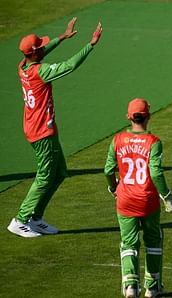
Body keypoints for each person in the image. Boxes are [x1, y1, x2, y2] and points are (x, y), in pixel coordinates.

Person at [7, 17, 103, 238]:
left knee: (59, 173)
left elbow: (40, 54)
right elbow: (69, 66)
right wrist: (91, 44)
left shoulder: (23, 66)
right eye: (40, 47)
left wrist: (61, 38)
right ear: (34, 54)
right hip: (42, 132)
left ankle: (36, 217)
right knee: (44, 176)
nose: (43, 48)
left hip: (38, 128)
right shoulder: (41, 72)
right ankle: (20, 219)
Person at [104, 98, 172, 298]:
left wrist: (113, 187)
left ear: (129, 117)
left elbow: (108, 170)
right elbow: (155, 173)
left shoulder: (117, 139)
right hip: (147, 200)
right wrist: (168, 197)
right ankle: (153, 286)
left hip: (125, 200)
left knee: (128, 242)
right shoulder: (154, 142)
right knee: (153, 240)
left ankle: (130, 285)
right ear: (148, 116)